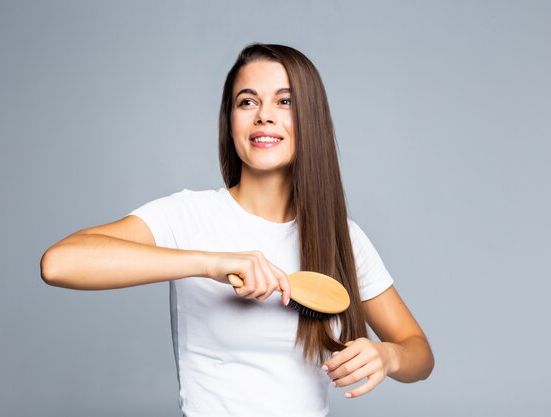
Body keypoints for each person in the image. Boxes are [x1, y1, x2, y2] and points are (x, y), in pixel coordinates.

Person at [40, 43, 434, 417]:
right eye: (248, 102)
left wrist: (389, 357)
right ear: (230, 123)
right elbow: (59, 264)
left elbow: (419, 353)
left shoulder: (339, 237)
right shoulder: (189, 216)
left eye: (285, 101)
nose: (264, 115)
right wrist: (211, 263)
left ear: (310, 120)